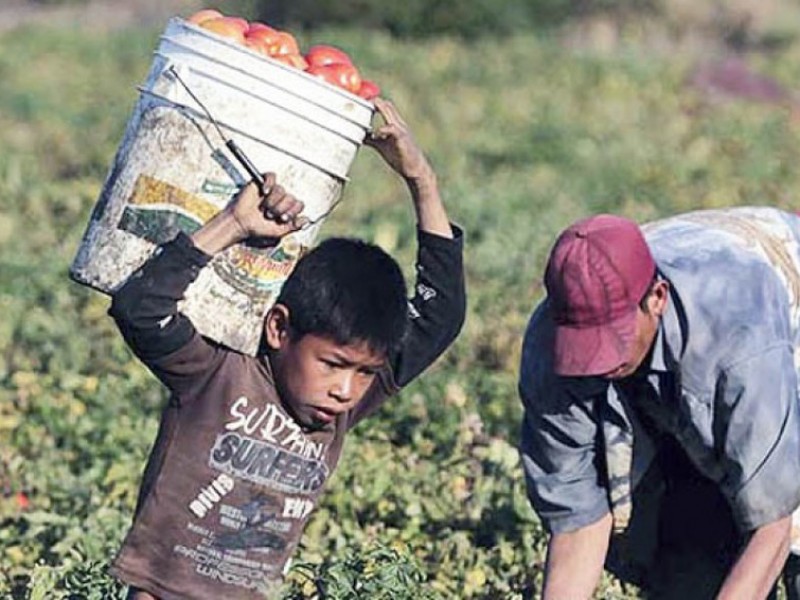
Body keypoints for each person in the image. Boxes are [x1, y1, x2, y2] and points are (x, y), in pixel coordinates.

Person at [108, 98, 466, 600]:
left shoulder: (341, 406)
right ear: (279, 328)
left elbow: (440, 314)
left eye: (365, 372)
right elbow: (140, 307)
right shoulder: (217, 374)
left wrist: (421, 180)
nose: (346, 390)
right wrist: (232, 224)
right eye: (334, 364)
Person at [518, 207, 800, 599]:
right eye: (585, 347)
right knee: (690, 578)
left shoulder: (737, 337)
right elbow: (577, 522)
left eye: (611, 338)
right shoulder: (550, 350)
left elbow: (773, 521)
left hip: (779, 302)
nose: (599, 361)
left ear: (656, 298)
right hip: (689, 373)